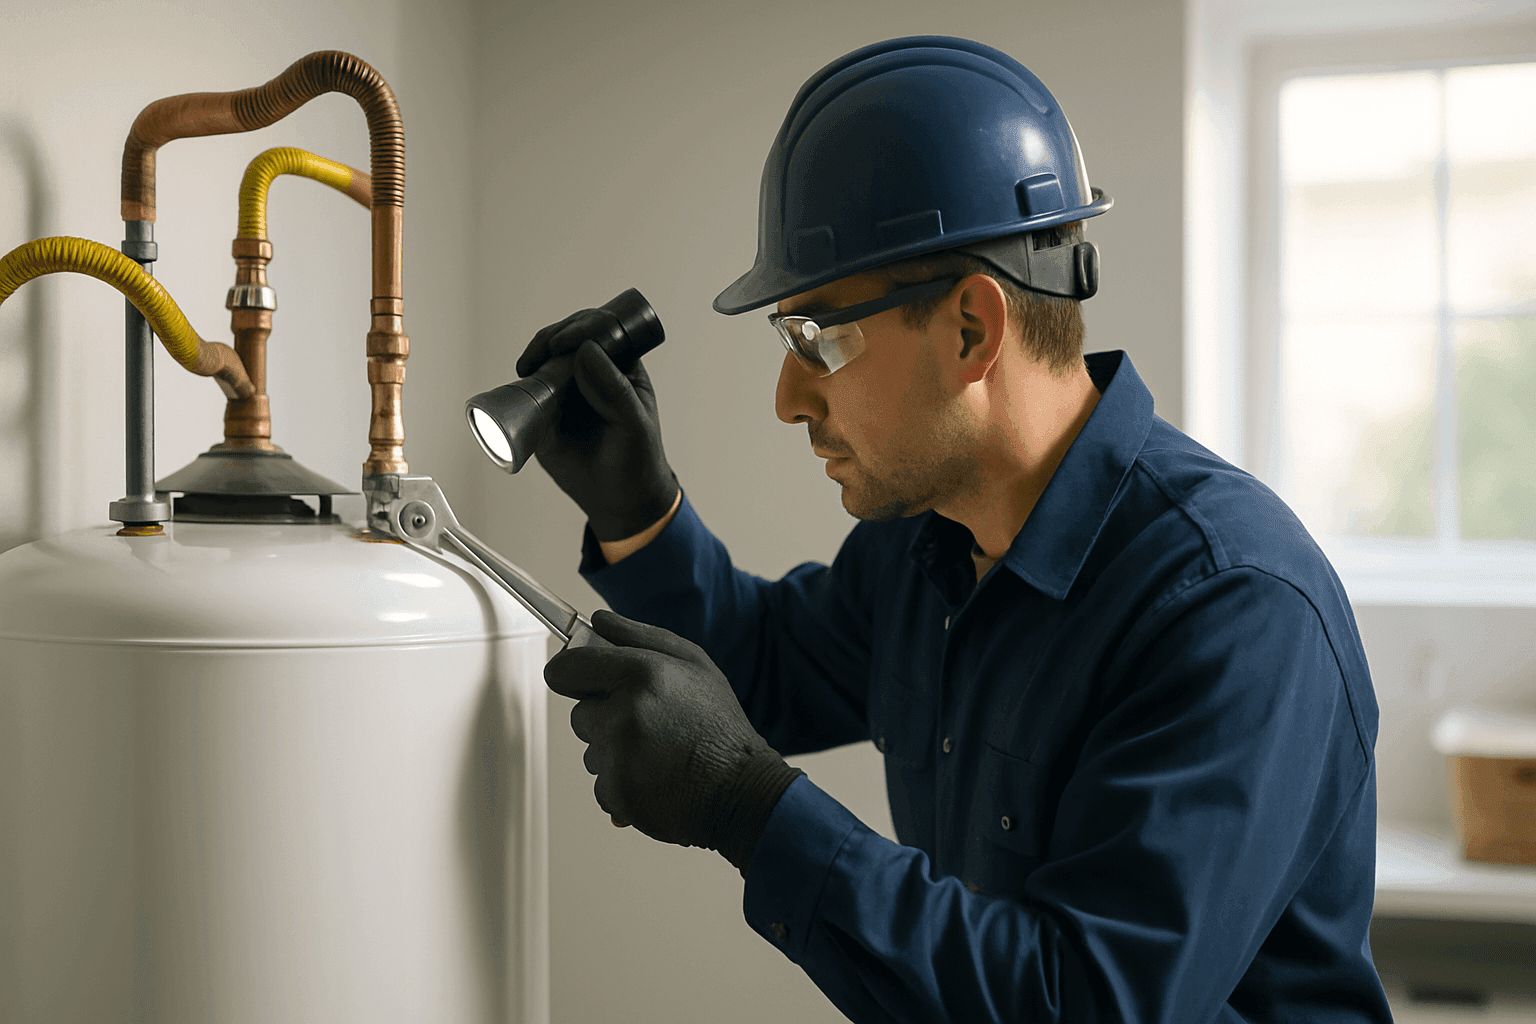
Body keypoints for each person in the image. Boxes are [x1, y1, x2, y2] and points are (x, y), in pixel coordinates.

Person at [523, 36, 1393, 1022]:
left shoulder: (1231, 605)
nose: (787, 397)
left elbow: (1083, 1001)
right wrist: (639, 507)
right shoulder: (929, 540)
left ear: (973, 328)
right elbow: (758, 671)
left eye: (817, 338)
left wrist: (747, 806)